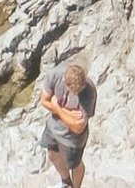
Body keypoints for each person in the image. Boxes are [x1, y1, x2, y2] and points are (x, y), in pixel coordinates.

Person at [38, 58, 96, 186]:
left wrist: (57, 108)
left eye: (78, 91)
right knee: (52, 155)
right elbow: (44, 100)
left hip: (72, 138)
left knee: (75, 164)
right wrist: (69, 115)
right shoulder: (55, 75)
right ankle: (66, 182)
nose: (76, 94)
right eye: (74, 91)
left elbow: (78, 127)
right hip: (53, 127)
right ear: (65, 80)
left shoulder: (88, 92)